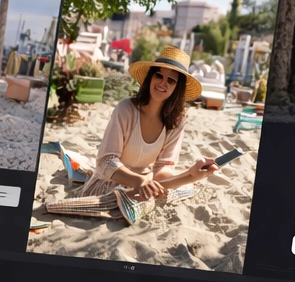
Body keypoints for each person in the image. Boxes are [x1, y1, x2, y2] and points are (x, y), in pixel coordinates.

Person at [45, 45, 221, 224]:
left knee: (190, 186)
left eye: (171, 80)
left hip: (147, 184)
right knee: (122, 200)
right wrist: (139, 181)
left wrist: (190, 174)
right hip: (111, 181)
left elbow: (162, 169)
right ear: (150, 77)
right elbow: (106, 163)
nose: (163, 83)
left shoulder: (176, 121)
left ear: (177, 87)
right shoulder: (126, 109)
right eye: (159, 75)